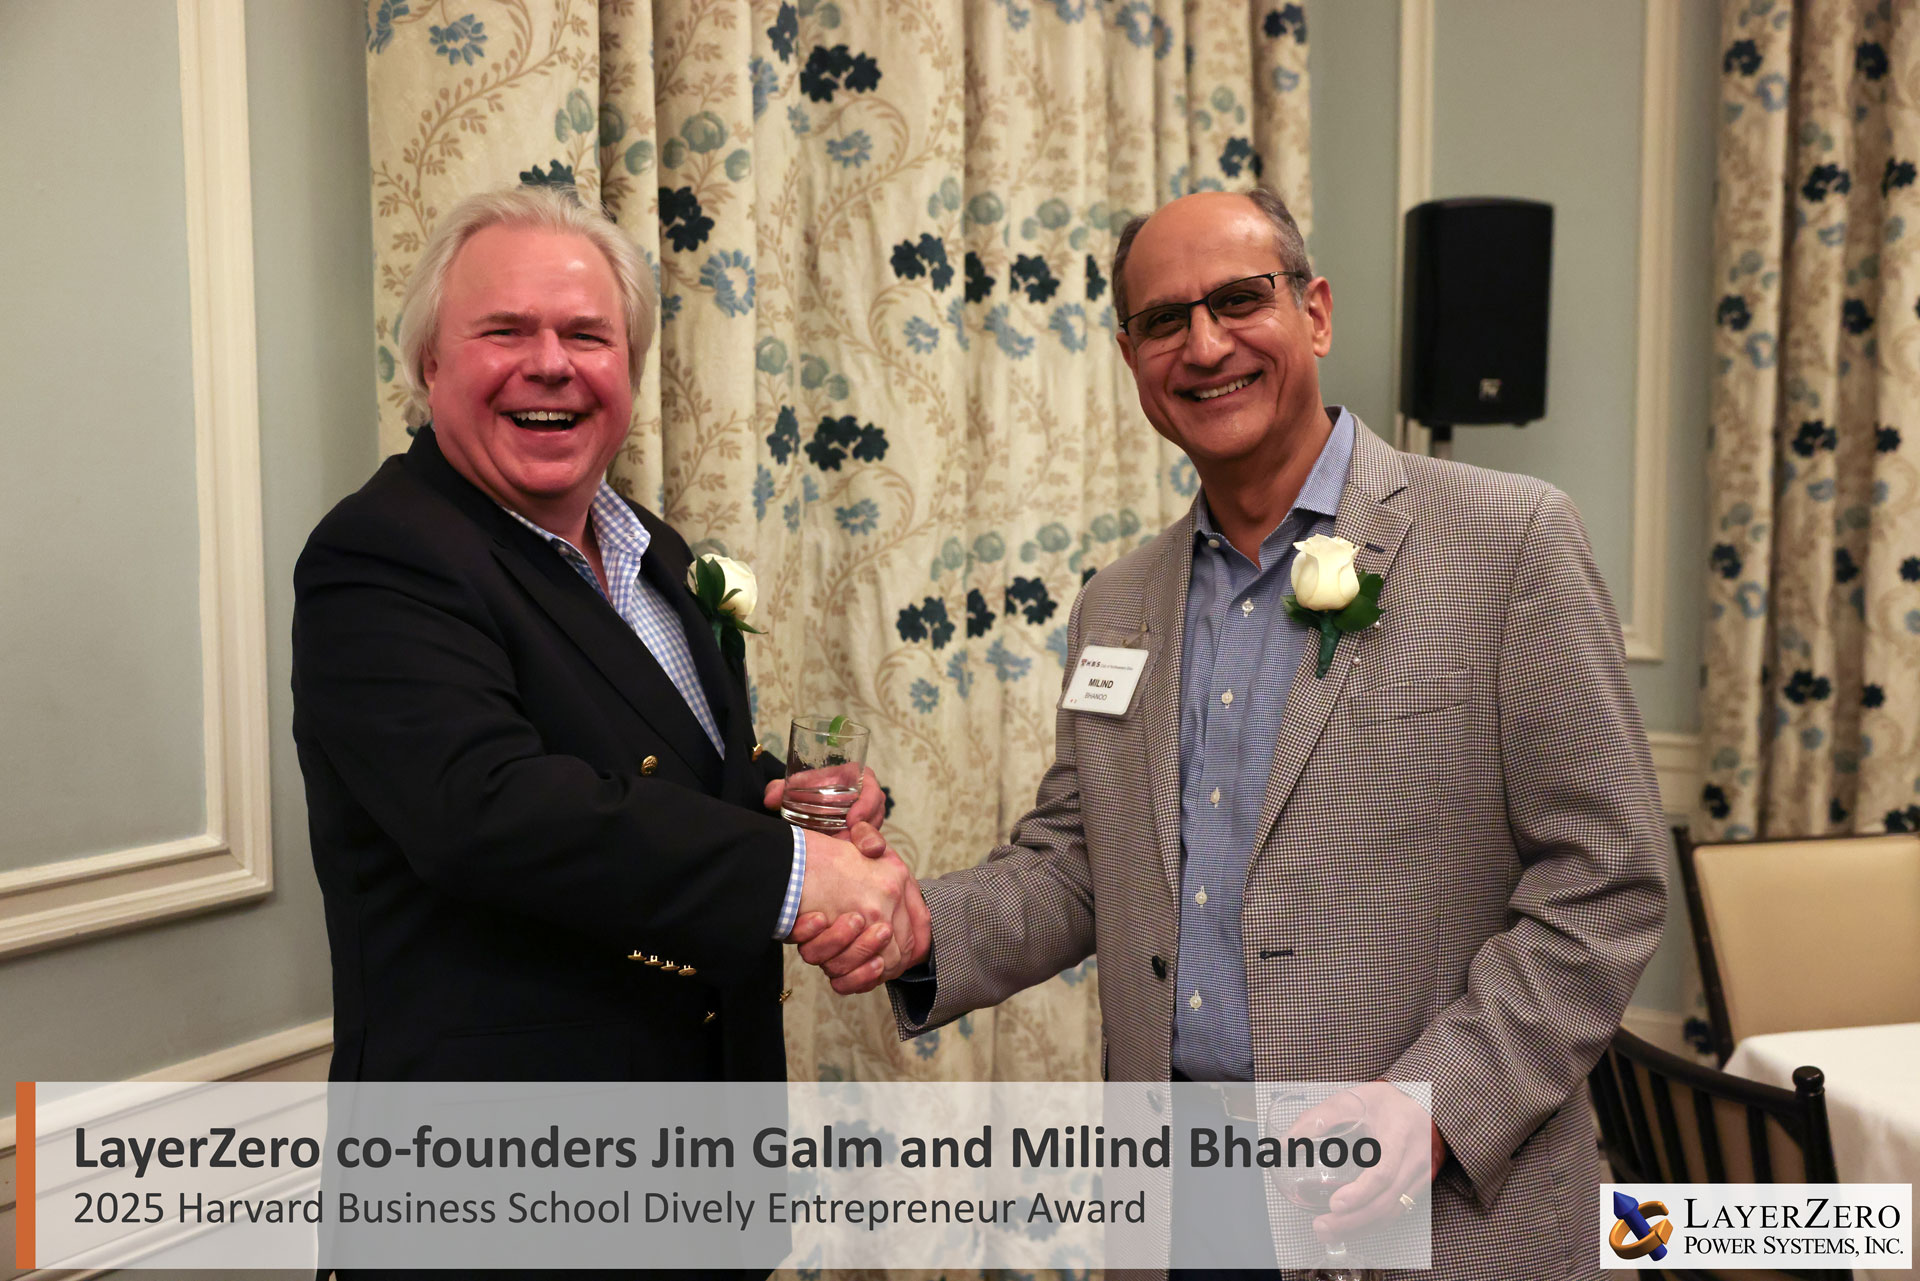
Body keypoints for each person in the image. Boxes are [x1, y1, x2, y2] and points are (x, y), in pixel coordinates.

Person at [795, 188, 1667, 1279]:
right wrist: (914, 924)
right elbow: (1077, 866)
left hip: (1428, 1201)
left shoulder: (1507, 539)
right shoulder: (1117, 603)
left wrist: (1440, 1101)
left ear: (1315, 312)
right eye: (1165, 321)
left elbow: (1608, 879)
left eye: (1239, 300)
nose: (1204, 345)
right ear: (1131, 355)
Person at [292, 185, 925, 1091]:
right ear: (429, 363)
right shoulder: (381, 551)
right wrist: (793, 873)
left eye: (588, 336)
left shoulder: (654, 547)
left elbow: (655, 774)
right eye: (504, 331)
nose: (550, 364)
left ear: (628, 368)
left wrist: (793, 810)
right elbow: (488, 810)